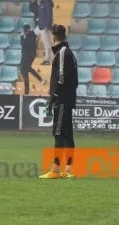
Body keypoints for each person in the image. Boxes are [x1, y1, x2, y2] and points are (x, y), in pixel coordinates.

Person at [40, 24, 78, 179]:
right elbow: (73, 81)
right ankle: (68, 170)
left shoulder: (62, 53)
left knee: (58, 134)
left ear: (54, 37)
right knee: (67, 135)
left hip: (61, 100)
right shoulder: (69, 53)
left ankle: (56, 170)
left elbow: (61, 79)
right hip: (67, 99)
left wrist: (52, 100)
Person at [30, 0, 55, 64]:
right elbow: (32, 9)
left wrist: (47, 25)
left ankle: (48, 59)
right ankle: (31, 53)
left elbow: (49, 14)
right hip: (40, 25)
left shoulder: (47, 2)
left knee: (46, 43)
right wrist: (33, 1)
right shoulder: (41, 3)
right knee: (31, 36)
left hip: (45, 26)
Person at [19, 24, 46, 94]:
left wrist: (22, 37)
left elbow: (23, 45)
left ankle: (27, 92)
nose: (24, 31)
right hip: (30, 55)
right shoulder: (32, 35)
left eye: (25, 30)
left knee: (23, 69)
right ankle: (40, 80)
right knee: (27, 68)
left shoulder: (29, 36)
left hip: (27, 55)